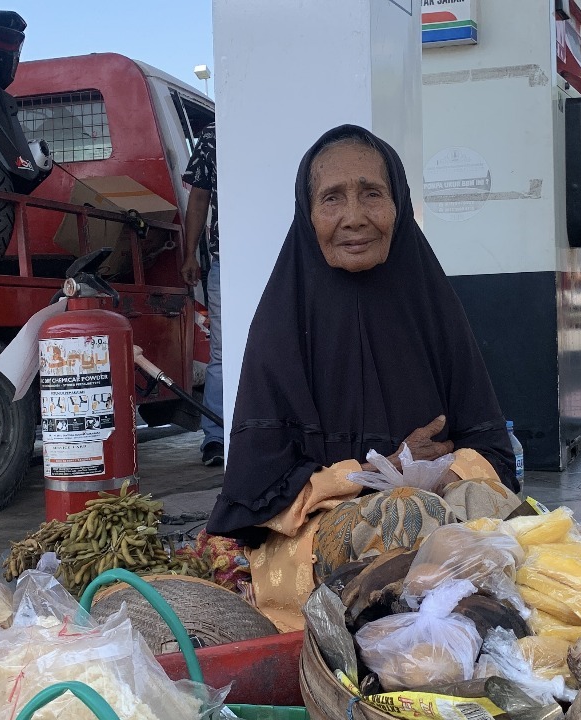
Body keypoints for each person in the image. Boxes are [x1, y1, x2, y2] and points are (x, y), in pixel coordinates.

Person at [206, 125, 519, 630]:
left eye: (372, 194)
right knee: (396, 518)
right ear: (308, 214)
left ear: (399, 205)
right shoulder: (282, 324)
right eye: (332, 198)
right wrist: (381, 472)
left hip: (440, 540)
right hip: (317, 552)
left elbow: (497, 456)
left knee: (454, 515)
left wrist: (436, 474)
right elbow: (255, 496)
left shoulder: (432, 308)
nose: (354, 217)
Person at [181, 122, 223, 466]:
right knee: (222, 353)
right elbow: (199, 196)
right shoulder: (213, 133)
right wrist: (189, 253)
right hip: (227, 259)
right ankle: (216, 438)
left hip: (283, 255)